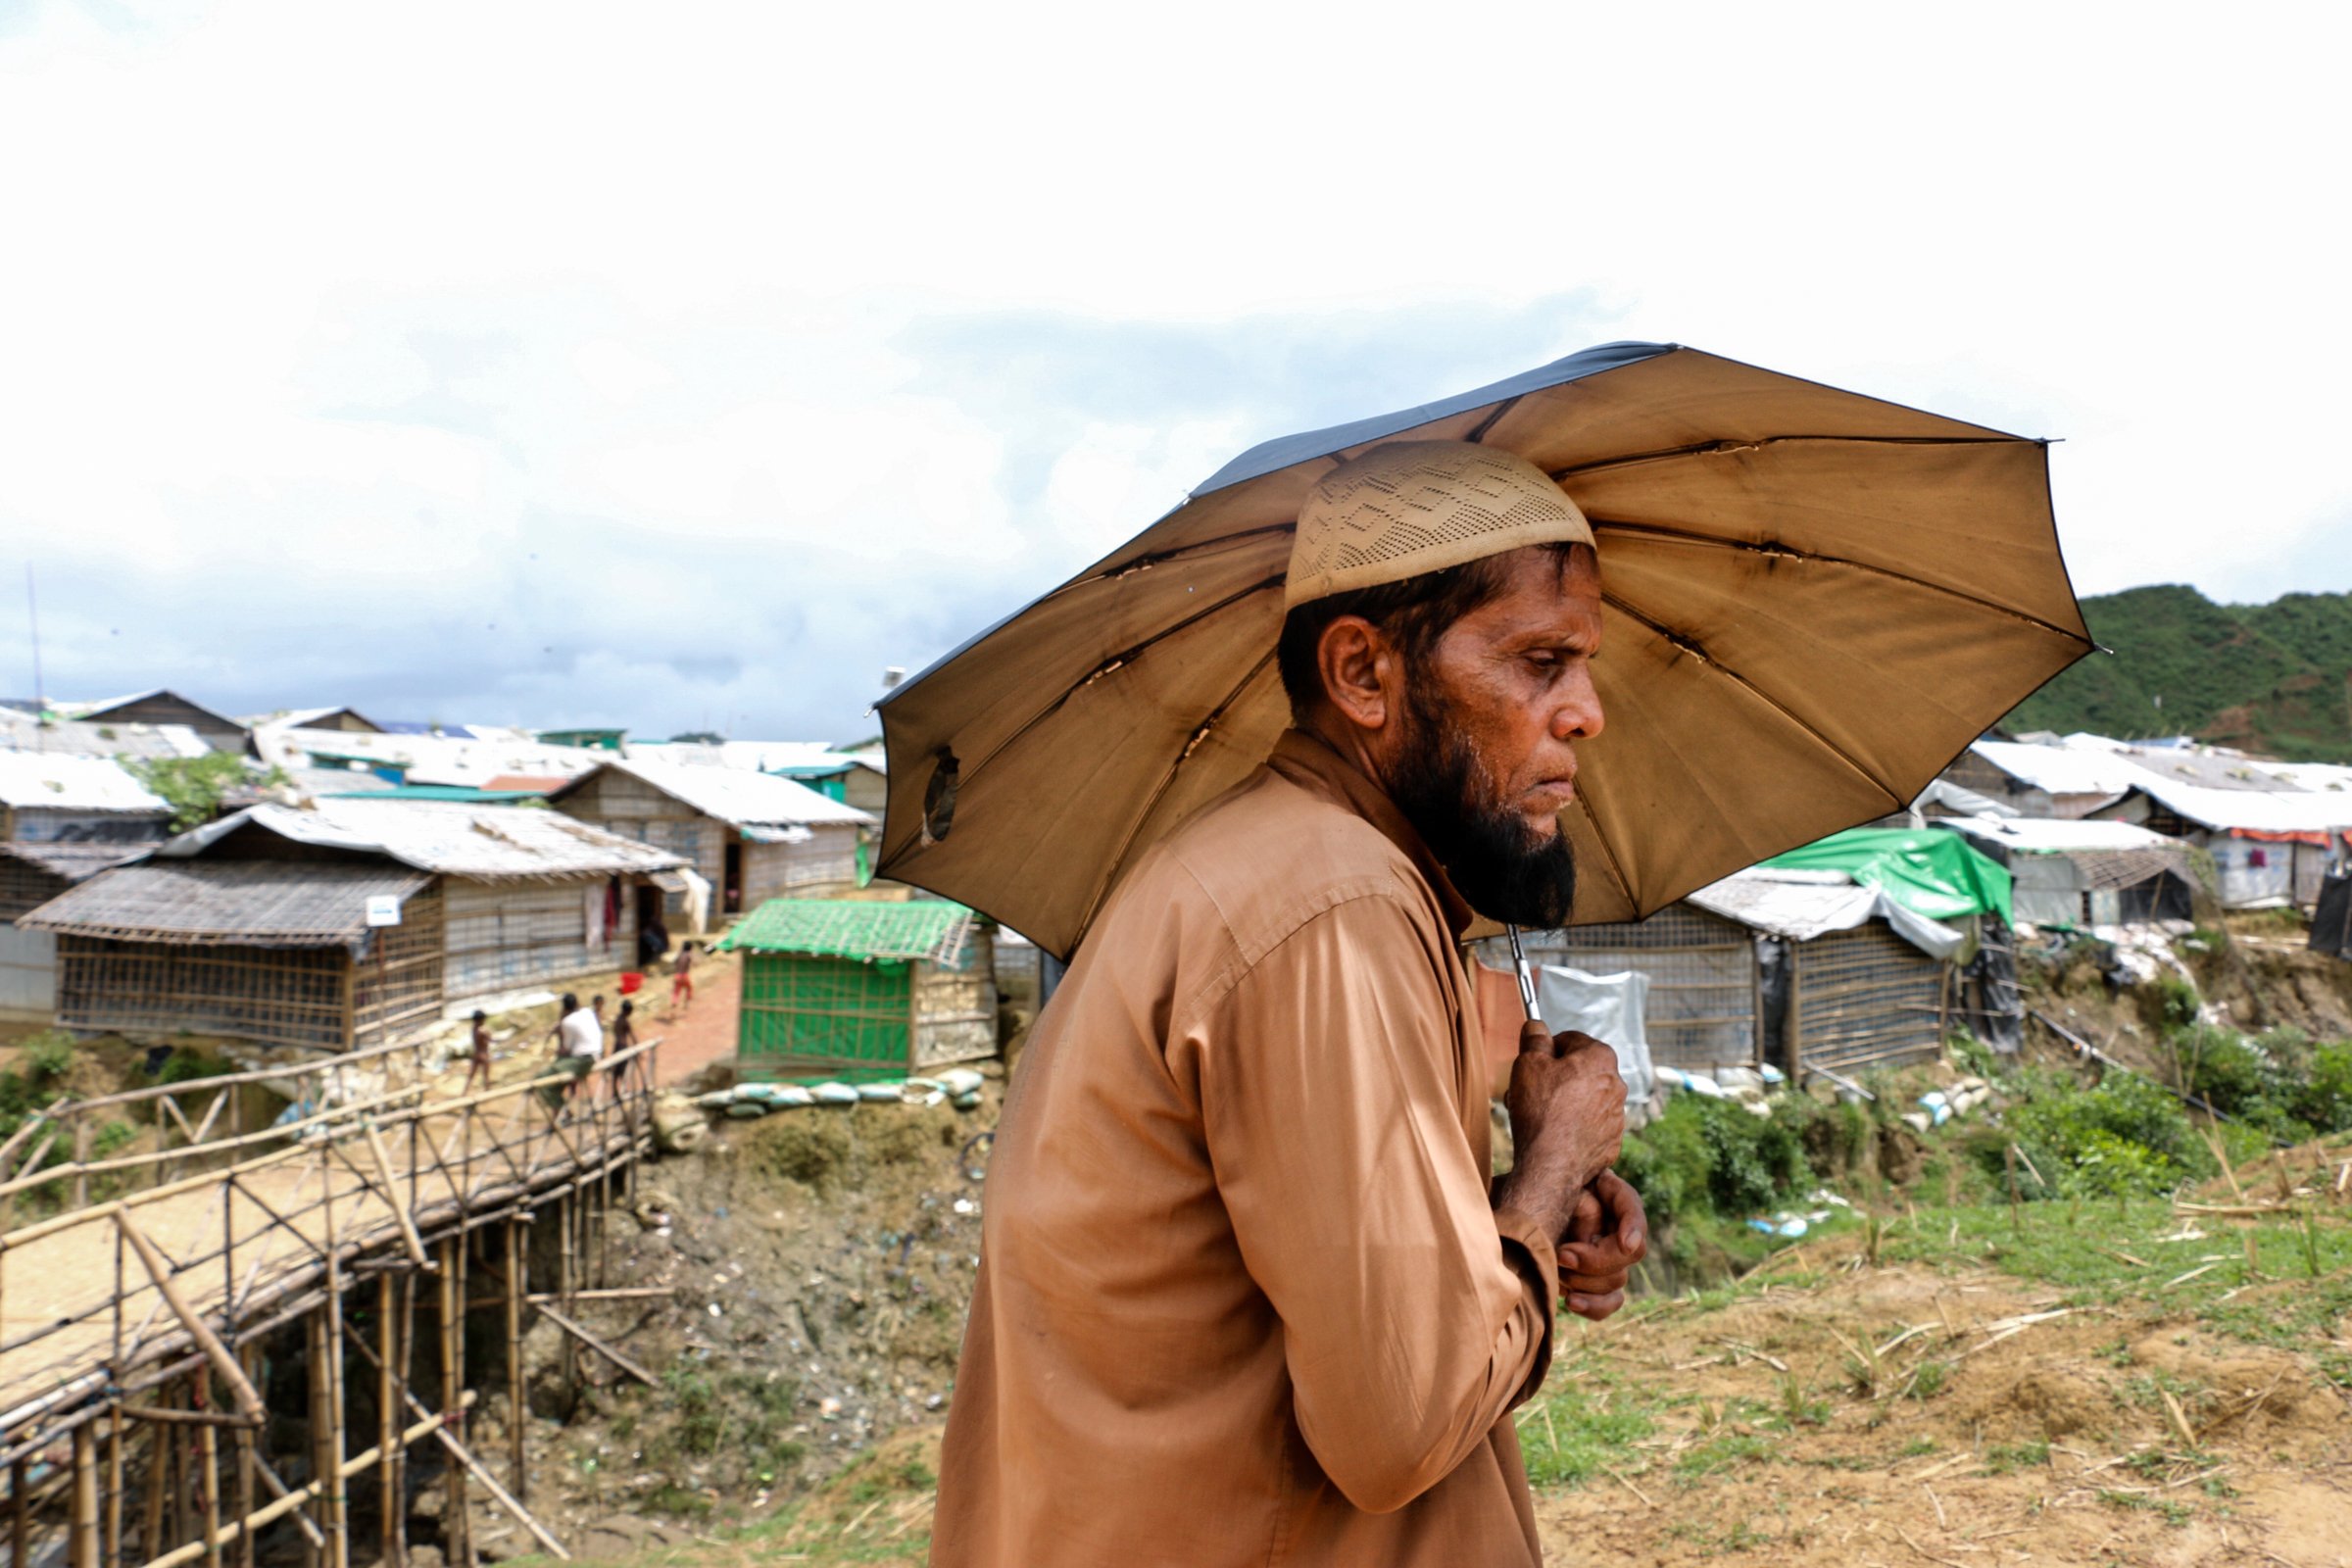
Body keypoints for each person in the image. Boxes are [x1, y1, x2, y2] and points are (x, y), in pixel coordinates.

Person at [932, 442, 1647, 1567]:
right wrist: (1553, 1165)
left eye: (1586, 665)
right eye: (1539, 660)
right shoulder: (1332, 907)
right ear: (1365, 674)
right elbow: (1401, 1421)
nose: (1586, 712)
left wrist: (1530, 1221)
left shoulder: (1292, 870)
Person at [542, 993, 601, 1108]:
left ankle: (562, 1110)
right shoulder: (587, 1012)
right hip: (594, 1054)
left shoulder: (567, 1022)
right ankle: (569, 1108)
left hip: (582, 1059)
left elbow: (567, 1047)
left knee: (544, 1080)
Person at [462, 1008, 492, 1094]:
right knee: (486, 1075)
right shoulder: (483, 1030)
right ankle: (487, 1091)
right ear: (482, 1019)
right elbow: (489, 1040)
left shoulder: (474, 1029)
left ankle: (464, 1092)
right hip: (484, 1054)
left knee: (471, 1075)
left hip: (476, 1053)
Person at [670, 941, 696, 1013]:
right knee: (689, 988)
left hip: (677, 975)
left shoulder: (679, 954)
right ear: (690, 948)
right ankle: (686, 1003)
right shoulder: (689, 954)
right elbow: (694, 963)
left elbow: (674, 962)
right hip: (684, 975)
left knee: (676, 992)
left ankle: (673, 1008)